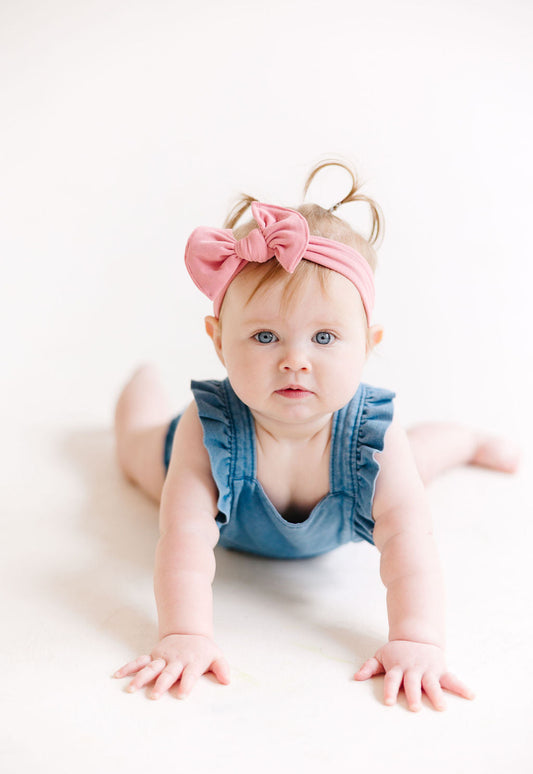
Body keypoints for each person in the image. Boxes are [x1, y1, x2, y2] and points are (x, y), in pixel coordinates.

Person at [112, 159, 519, 711]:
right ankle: (139, 383)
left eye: (325, 337)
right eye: (264, 336)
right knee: (136, 453)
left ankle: (464, 440)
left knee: (417, 466)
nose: (295, 361)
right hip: (202, 479)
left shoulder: (374, 436)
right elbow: (182, 541)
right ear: (218, 340)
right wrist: (184, 633)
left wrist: (417, 639)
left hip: (361, 475)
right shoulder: (204, 430)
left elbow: (409, 544)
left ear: (368, 343)